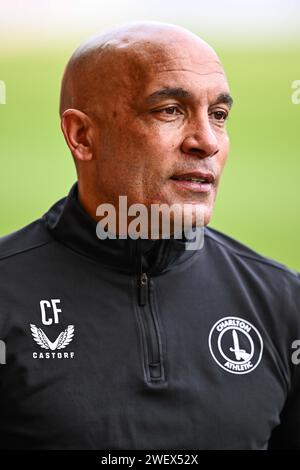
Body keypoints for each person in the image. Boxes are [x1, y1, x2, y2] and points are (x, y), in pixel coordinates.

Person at [0, 21, 299, 450]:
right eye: (170, 111)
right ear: (82, 135)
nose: (207, 142)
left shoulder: (283, 303)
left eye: (218, 114)